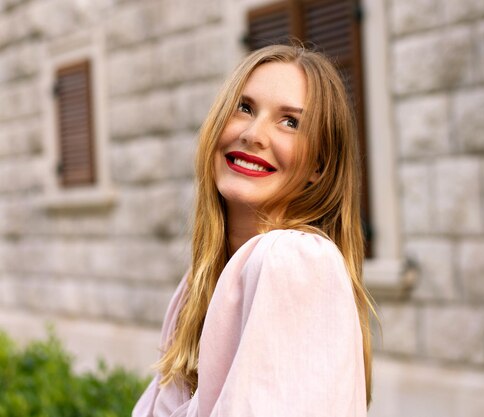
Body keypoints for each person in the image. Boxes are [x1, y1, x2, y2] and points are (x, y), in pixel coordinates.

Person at [132, 44, 375, 417]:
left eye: (290, 122)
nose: (253, 133)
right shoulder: (198, 286)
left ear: (319, 166)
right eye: (244, 107)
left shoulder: (293, 260)